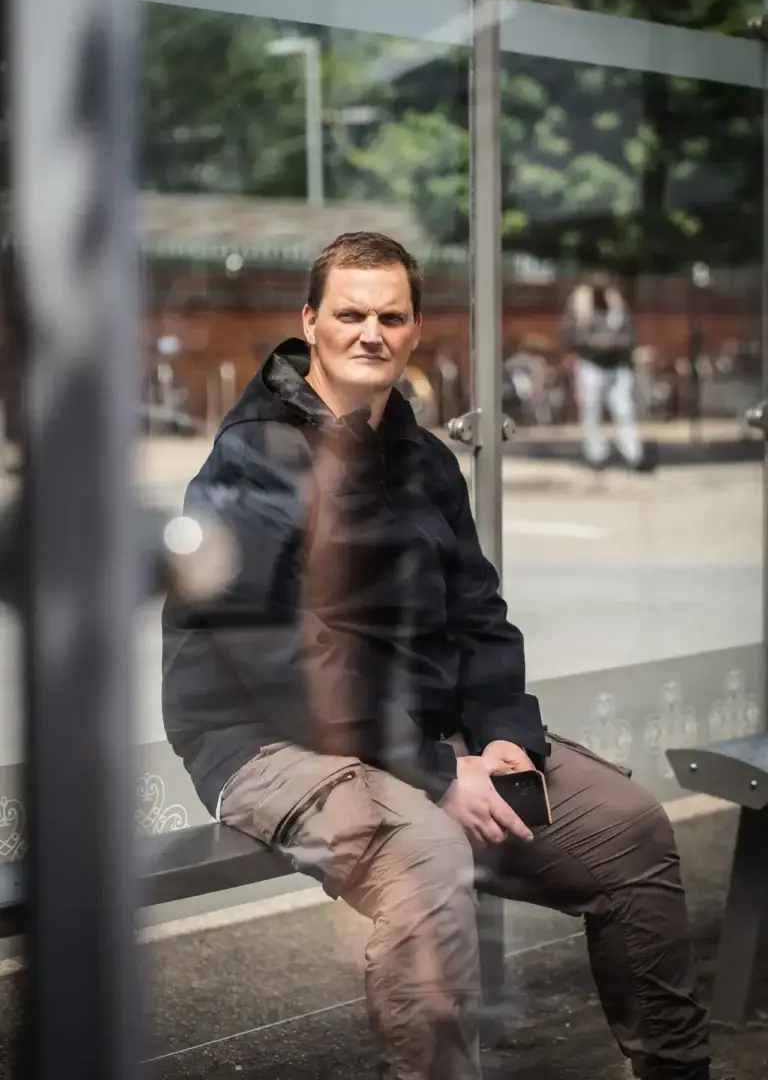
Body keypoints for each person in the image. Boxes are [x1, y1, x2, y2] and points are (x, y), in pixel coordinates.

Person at [162, 232, 712, 1080]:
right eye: (350, 314)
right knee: (429, 862)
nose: (370, 332)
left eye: (391, 317)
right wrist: (436, 770)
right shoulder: (255, 457)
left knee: (629, 831)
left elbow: (479, 616)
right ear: (310, 322)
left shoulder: (423, 459)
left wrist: (504, 736)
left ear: (415, 330)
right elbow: (281, 661)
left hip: (421, 734)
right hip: (268, 738)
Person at [561, 271, 652, 471]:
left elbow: (630, 334)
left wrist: (614, 343)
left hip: (617, 365)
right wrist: (594, 342)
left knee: (624, 410)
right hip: (590, 364)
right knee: (591, 410)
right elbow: (569, 335)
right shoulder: (578, 304)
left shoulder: (617, 304)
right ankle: (596, 455)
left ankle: (634, 454)